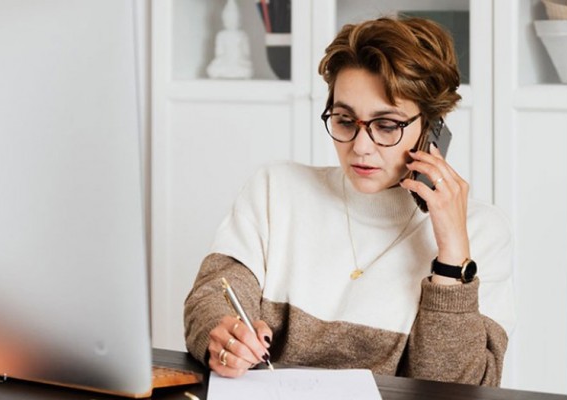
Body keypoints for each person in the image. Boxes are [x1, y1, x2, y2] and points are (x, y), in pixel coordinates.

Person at [184, 16, 515, 386]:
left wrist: (452, 258)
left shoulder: (481, 232)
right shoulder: (275, 189)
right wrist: (223, 333)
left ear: (433, 127)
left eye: (386, 125)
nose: (360, 147)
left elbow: (456, 388)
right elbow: (212, 299)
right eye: (344, 120)